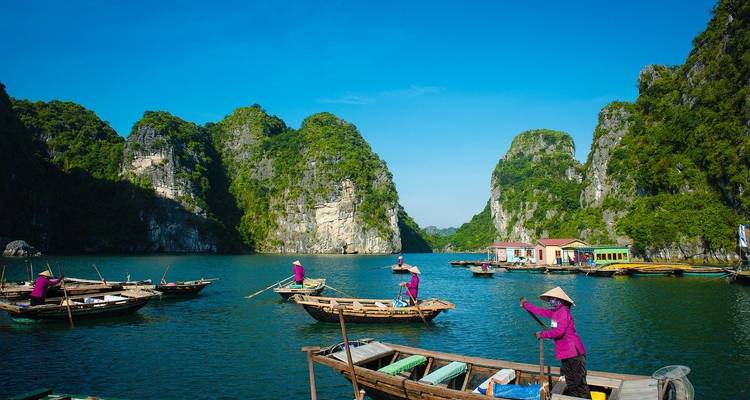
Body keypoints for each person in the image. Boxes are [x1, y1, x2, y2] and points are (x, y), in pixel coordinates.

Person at [520, 286, 589, 398]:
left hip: (574, 353)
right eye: (551, 298)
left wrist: (542, 334)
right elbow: (540, 311)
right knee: (571, 382)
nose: (551, 301)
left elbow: (559, 332)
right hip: (565, 353)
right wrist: (526, 305)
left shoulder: (563, 312)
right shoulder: (555, 312)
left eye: (553, 298)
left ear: (560, 300)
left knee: (579, 383)